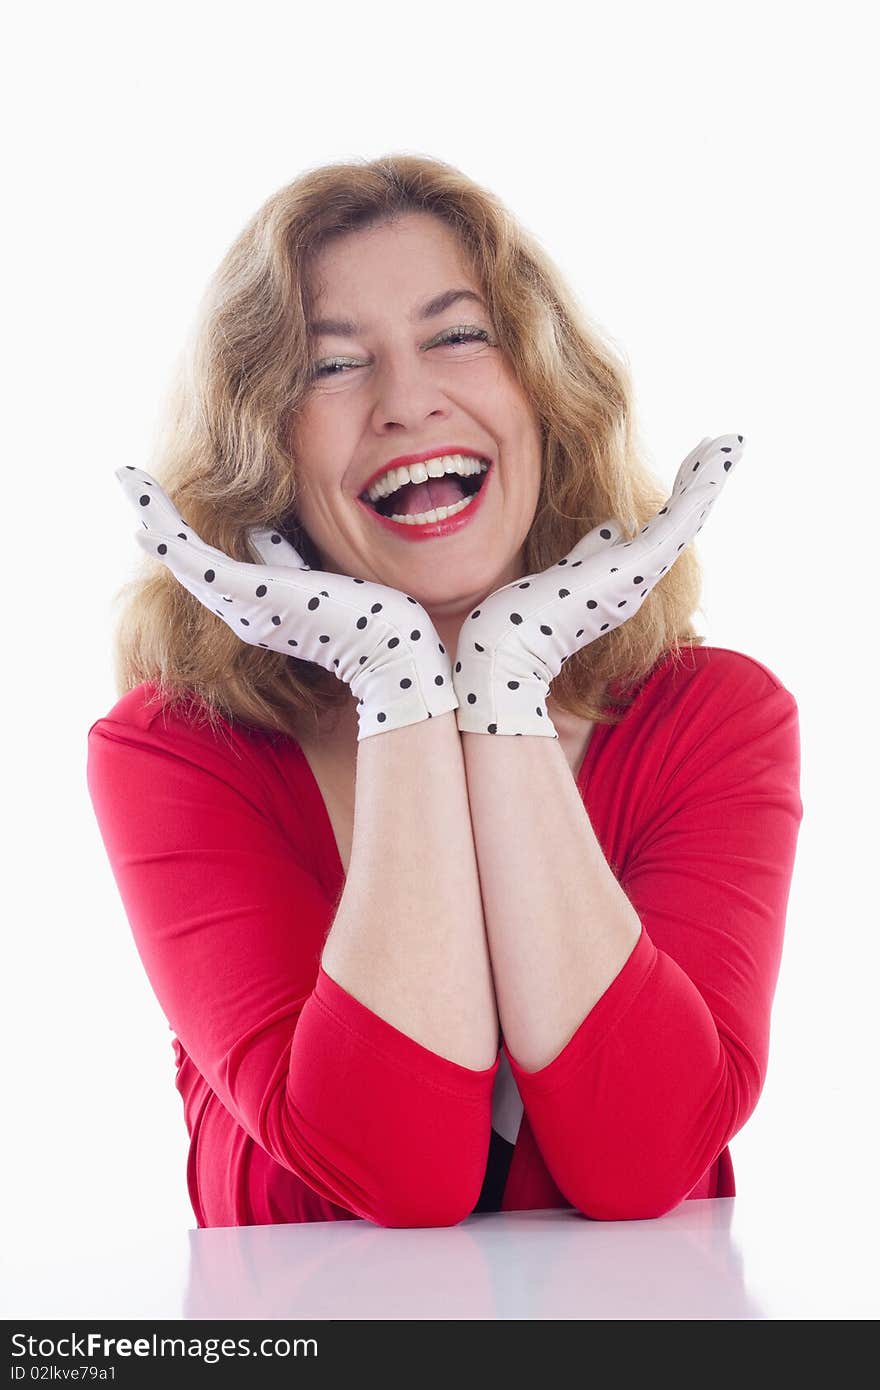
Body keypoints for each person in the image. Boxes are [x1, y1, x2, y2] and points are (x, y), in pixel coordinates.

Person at [86, 153, 803, 1230]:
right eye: (332, 367)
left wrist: (502, 678)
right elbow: (397, 1173)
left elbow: (641, 1158)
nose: (406, 401)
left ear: (543, 390)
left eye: (458, 335)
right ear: (266, 446)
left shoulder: (714, 720)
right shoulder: (179, 750)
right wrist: (400, 680)